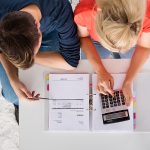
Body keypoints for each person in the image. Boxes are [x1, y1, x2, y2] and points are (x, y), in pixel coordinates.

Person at [0, 0, 80, 108]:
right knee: (12, 95)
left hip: (53, 30)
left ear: (38, 25)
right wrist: (13, 79)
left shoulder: (58, 8)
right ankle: (20, 107)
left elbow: (71, 61)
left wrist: (30, 57)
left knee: (46, 85)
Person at [74, 0, 150, 106]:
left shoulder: (146, 14)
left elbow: (144, 47)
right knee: (87, 70)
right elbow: (84, 37)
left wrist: (128, 81)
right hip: (94, 40)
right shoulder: (84, 13)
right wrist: (100, 70)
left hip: (129, 39)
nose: (117, 51)